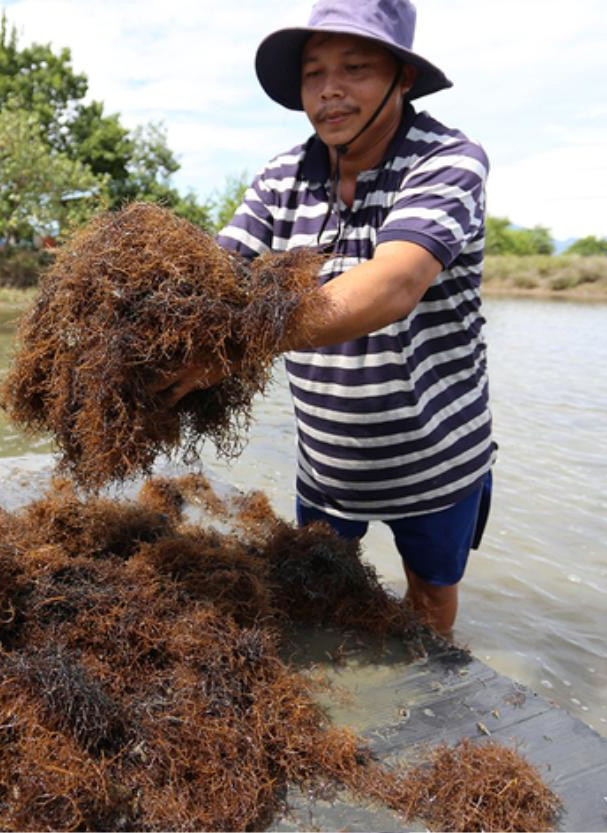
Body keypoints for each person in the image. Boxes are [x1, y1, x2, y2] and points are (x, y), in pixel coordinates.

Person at [159, 0, 494, 635]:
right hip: (327, 467)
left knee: (428, 600)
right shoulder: (283, 177)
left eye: (356, 67)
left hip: (435, 462)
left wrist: (233, 346)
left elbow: (392, 284)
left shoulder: (447, 159)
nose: (330, 91)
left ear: (404, 76)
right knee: (314, 604)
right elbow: (218, 270)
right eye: (314, 73)